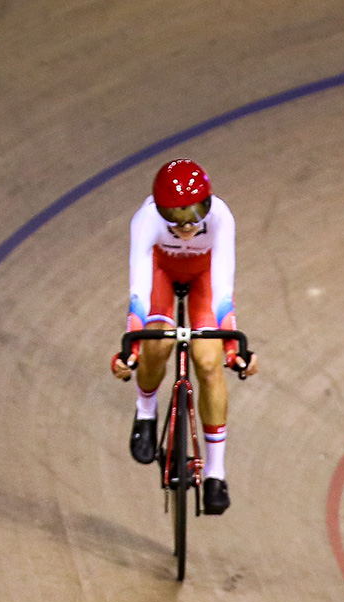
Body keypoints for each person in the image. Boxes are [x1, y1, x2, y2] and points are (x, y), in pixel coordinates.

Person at [110, 159, 257, 515]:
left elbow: (223, 286)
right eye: (175, 215)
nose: (188, 223)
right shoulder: (145, 221)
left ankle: (216, 474)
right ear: (160, 211)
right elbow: (139, 290)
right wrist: (132, 343)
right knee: (156, 345)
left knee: (208, 363)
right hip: (161, 273)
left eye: (195, 211)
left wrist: (234, 347)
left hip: (204, 277)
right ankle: (145, 412)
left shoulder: (221, 217)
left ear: (208, 203)